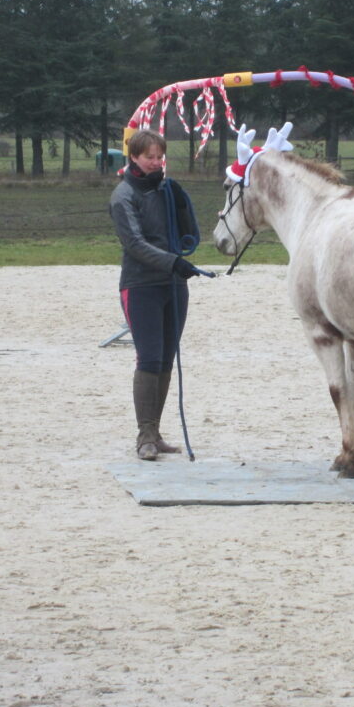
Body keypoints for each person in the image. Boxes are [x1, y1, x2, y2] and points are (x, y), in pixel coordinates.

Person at [108, 129, 201, 460]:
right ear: (133, 157)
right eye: (149, 157)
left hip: (173, 284)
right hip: (141, 285)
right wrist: (172, 262)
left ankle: (156, 432)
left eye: (160, 157)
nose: (156, 162)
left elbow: (187, 234)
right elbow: (134, 243)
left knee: (165, 359)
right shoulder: (123, 196)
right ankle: (144, 436)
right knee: (148, 358)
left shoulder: (166, 189)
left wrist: (181, 203)